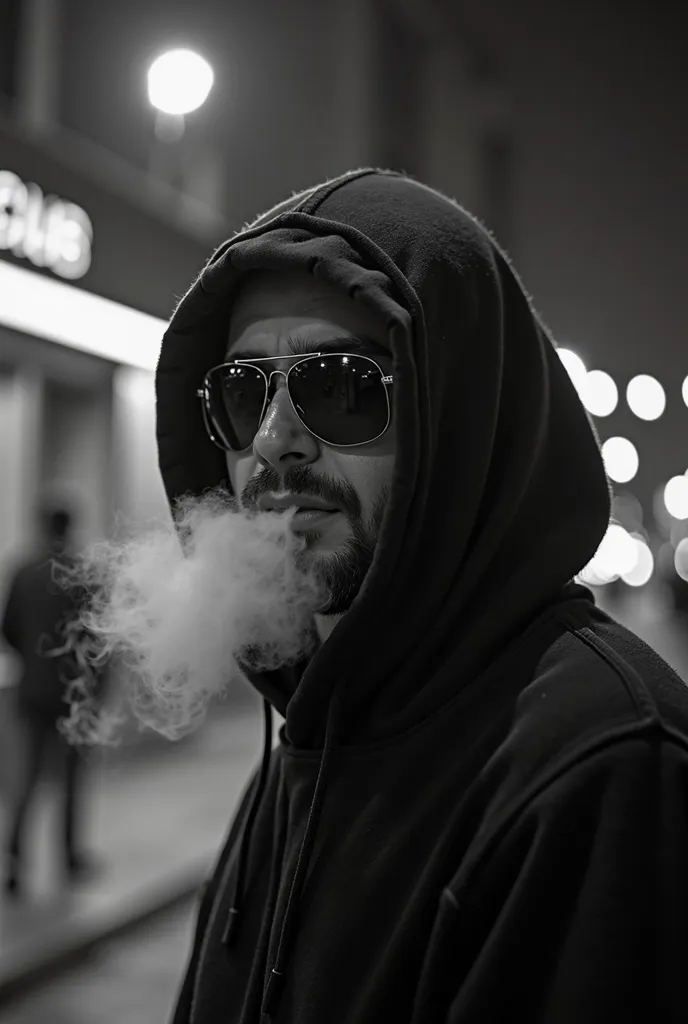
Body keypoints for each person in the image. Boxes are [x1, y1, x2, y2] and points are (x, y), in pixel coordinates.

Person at [77, 168, 688, 1021]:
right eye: (244, 391)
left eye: (340, 386)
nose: (274, 441)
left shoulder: (606, 767)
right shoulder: (317, 728)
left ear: (461, 417)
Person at [1, 504, 99, 897]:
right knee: (72, 779)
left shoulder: (23, 572)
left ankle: (14, 862)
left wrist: (31, 660)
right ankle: (69, 858)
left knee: (25, 779)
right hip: (73, 692)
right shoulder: (83, 573)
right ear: (70, 526)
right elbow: (97, 636)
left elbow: (6, 629)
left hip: (32, 690)